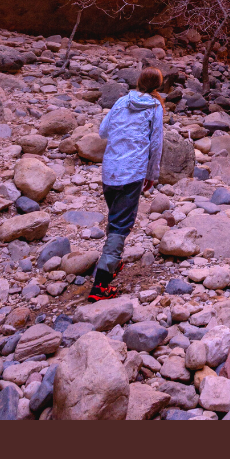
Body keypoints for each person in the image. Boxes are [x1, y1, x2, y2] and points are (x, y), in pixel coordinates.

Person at [87, 66, 165, 301]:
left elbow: (102, 132)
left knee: (115, 218)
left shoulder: (121, 101)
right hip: (132, 172)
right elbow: (156, 143)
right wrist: (153, 173)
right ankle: (101, 285)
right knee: (121, 225)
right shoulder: (155, 107)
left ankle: (112, 260)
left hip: (110, 170)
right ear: (157, 86)